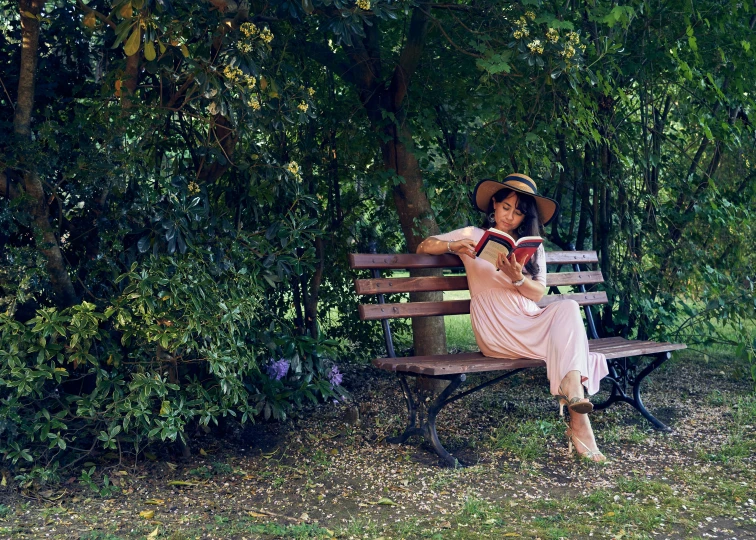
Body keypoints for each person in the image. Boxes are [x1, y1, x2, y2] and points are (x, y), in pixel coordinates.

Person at [416, 174, 609, 462]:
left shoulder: (532, 247)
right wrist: (452, 247)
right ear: (494, 204)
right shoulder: (471, 235)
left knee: (568, 306)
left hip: (529, 319)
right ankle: (578, 418)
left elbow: (538, 293)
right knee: (570, 349)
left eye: (518, 213)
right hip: (496, 327)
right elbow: (424, 245)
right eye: (506, 207)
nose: (510, 217)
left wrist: (517, 277)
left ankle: (575, 402)